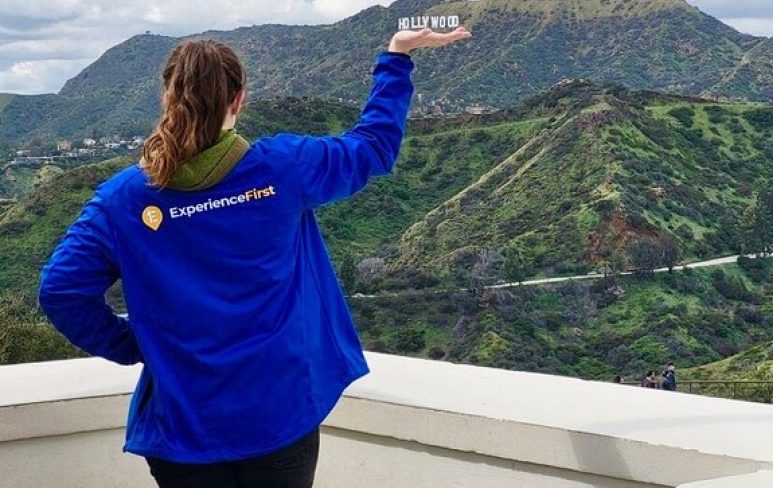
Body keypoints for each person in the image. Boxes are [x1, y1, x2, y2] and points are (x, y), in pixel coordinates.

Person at [38, 26, 471, 488]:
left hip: (184, 430)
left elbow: (61, 291)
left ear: (167, 97)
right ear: (238, 100)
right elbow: (372, 148)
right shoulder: (283, 168)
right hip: (279, 417)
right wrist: (396, 57)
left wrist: (136, 344)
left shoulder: (123, 199)